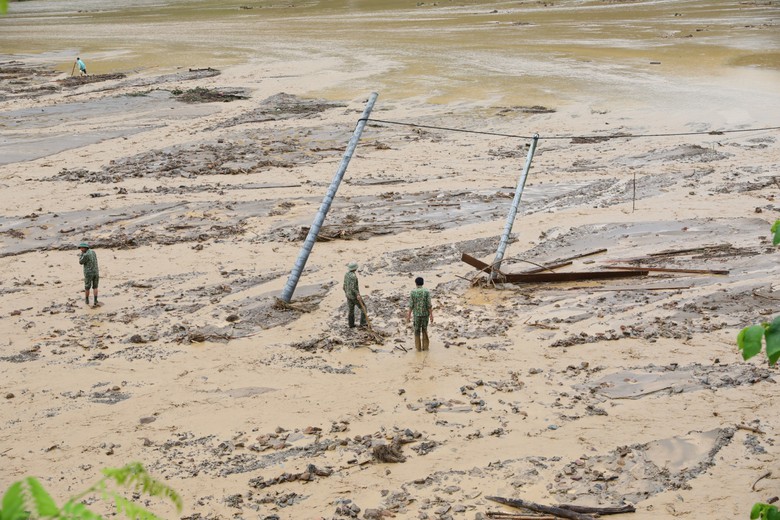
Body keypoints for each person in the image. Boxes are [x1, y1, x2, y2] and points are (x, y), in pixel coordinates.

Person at [406, 277, 433, 351]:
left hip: (417, 315)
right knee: (424, 329)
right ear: (423, 283)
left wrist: (408, 315)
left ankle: (418, 348)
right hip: (425, 315)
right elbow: (429, 305)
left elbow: (411, 305)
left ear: (416, 283)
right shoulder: (426, 292)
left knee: (417, 331)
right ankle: (425, 347)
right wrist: (431, 315)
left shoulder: (413, 292)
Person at [343, 261, 367, 328]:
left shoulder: (346, 274)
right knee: (363, 308)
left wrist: (346, 292)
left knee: (351, 310)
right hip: (353, 296)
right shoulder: (353, 276)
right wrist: (357, 295)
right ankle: (363, 323)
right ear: (355, 268)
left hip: (348, 295)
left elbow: (344, 285)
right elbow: (353, 287)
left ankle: (351, 324)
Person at [78, 242, 99, 306]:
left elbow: (80, 262)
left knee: (87, 287)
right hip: (96, 272)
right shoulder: (93, 252)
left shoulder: (85, 255)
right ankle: (95, 300)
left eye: (81, 248)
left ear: (85, 248)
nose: (81, 249)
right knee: (95, 287)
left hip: (88, 273)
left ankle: (87, 300)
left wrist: (81, 255)